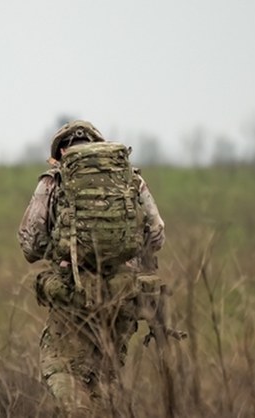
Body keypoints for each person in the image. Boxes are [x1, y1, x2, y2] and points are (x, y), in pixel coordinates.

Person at [18, 120, 167, 414]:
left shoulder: (54, 180)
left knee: (61, 371)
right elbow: (158, 233)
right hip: (122, 299)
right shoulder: (130, 179)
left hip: (74, 297)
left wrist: (62, 251)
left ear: (61, 151)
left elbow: (30, 242)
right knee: (105, 380)